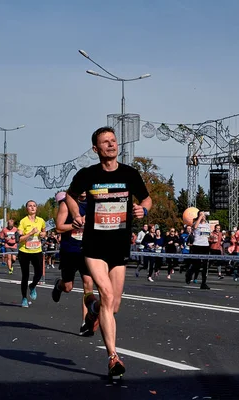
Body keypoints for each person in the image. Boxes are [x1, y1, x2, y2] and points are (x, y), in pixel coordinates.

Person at [66, 126, 151, 378]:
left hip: (119, 246)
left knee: (112, 306)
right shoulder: (87, 174)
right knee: (105, 292)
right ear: (96, 149)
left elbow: (147, 199)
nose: (111, 145)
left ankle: (93, 310)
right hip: (94, 245)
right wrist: (75, 214)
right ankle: (113, 357)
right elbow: (71, 197)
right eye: (105, 142)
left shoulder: (130, 173)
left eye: (113, 141)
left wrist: (142, 210)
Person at [52, 191, 96, 335]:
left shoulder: (93, 203)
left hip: (87, 250)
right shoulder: (66, 204)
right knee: (68, 287)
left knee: (88, 285)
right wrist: (77, 223)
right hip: (70, 250)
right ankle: (59, 285)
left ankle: (86, 323)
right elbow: (58, 227)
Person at [17, 200, 46, 307]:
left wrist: (43, 234)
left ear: (36, 208)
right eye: (30, 206)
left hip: (37, 251)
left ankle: (32, 286)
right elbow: (19, 239)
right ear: (27, 209)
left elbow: (44, 231)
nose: (32, 208)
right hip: (24, 251)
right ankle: (24, 298)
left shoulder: (41, 220)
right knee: (25, 275)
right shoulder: (23, 221)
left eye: (34, 206)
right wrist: (31, 233)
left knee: (39, 273)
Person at [185, 212, 211, 290]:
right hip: (197, 245)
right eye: (201, 214)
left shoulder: (207, 224)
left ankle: (204, 283)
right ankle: (189, 274)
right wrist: (200, 217)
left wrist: (212, 236)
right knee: (197, 264)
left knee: (205, 266)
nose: (203, 216)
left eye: (204, 215)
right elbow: (195, 227)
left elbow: (208, 234)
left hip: (205, 246)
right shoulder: (195, 223)